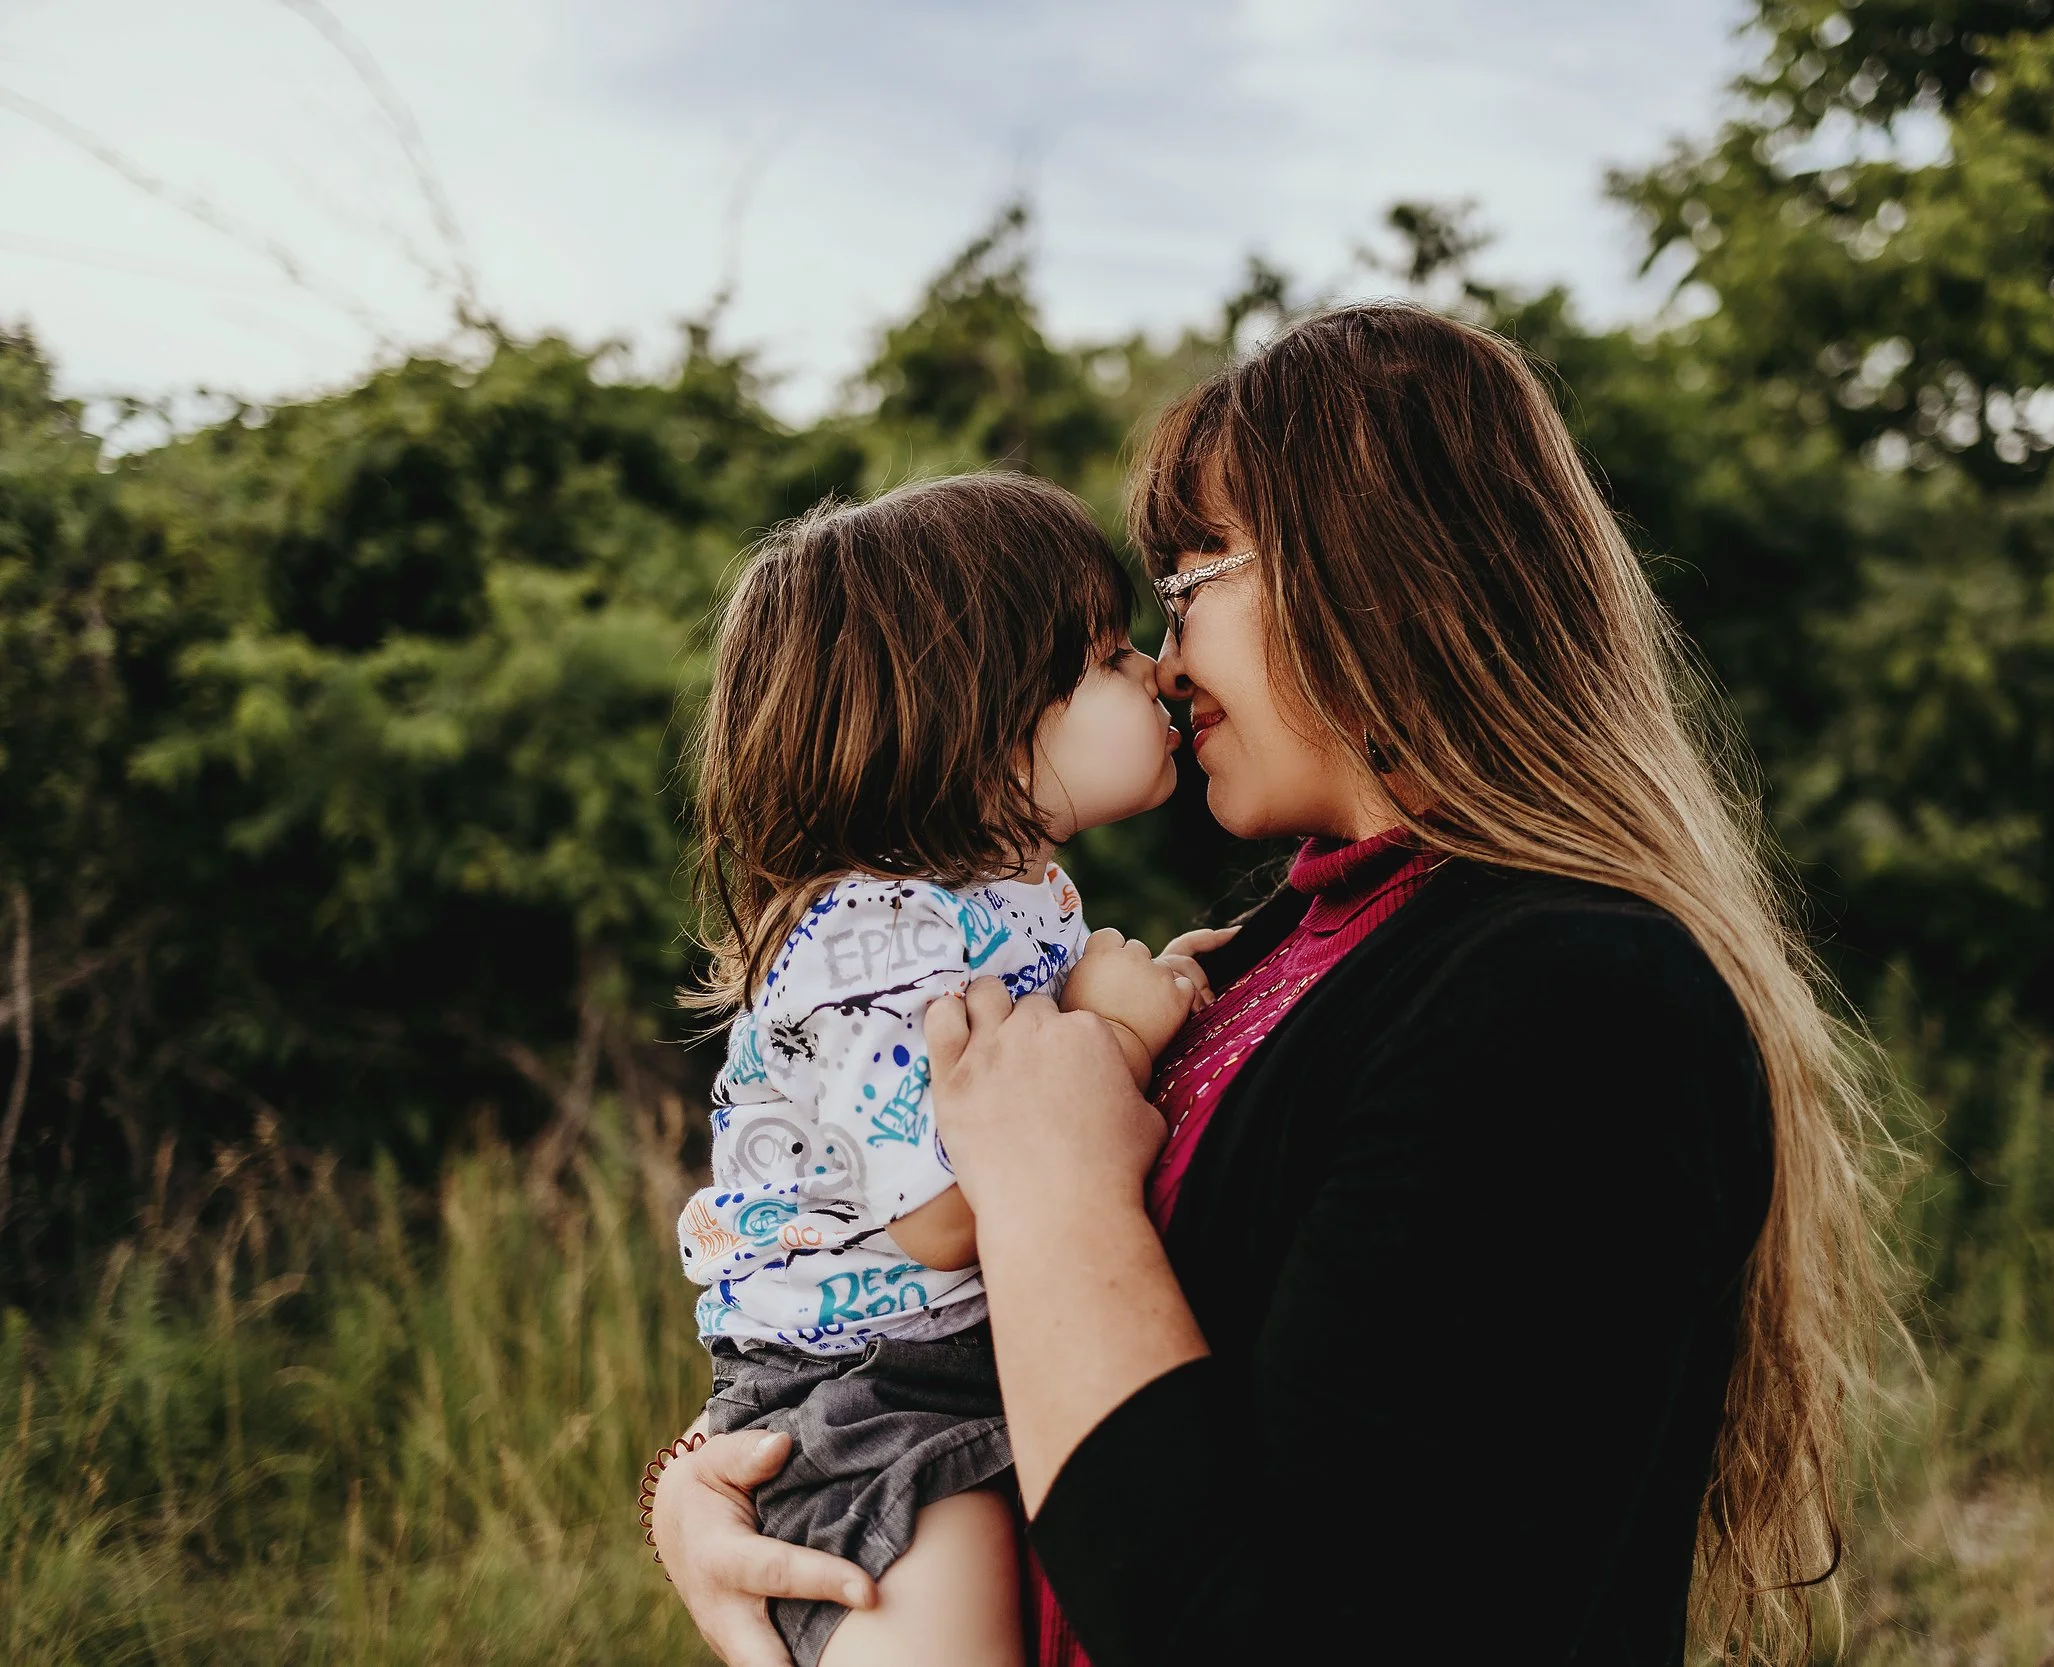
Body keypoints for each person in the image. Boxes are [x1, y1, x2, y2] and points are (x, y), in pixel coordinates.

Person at [653, 304, 1892, 1666]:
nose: (1167, 657)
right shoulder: (1278, 955)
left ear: (1374, 572)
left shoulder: (1569, 996)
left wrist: (1049, 1184)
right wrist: (719, 1478)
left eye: (1193, 578)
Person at [672, 471, 1225, 1667]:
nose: (1154, 674)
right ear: (976, 731)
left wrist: (1158, 995)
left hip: (948, 1354)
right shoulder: (871, 935)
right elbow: (935, 1210)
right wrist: (1118, 1035)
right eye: (1104, 654)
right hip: (870, 1392)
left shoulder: (1011, 904)